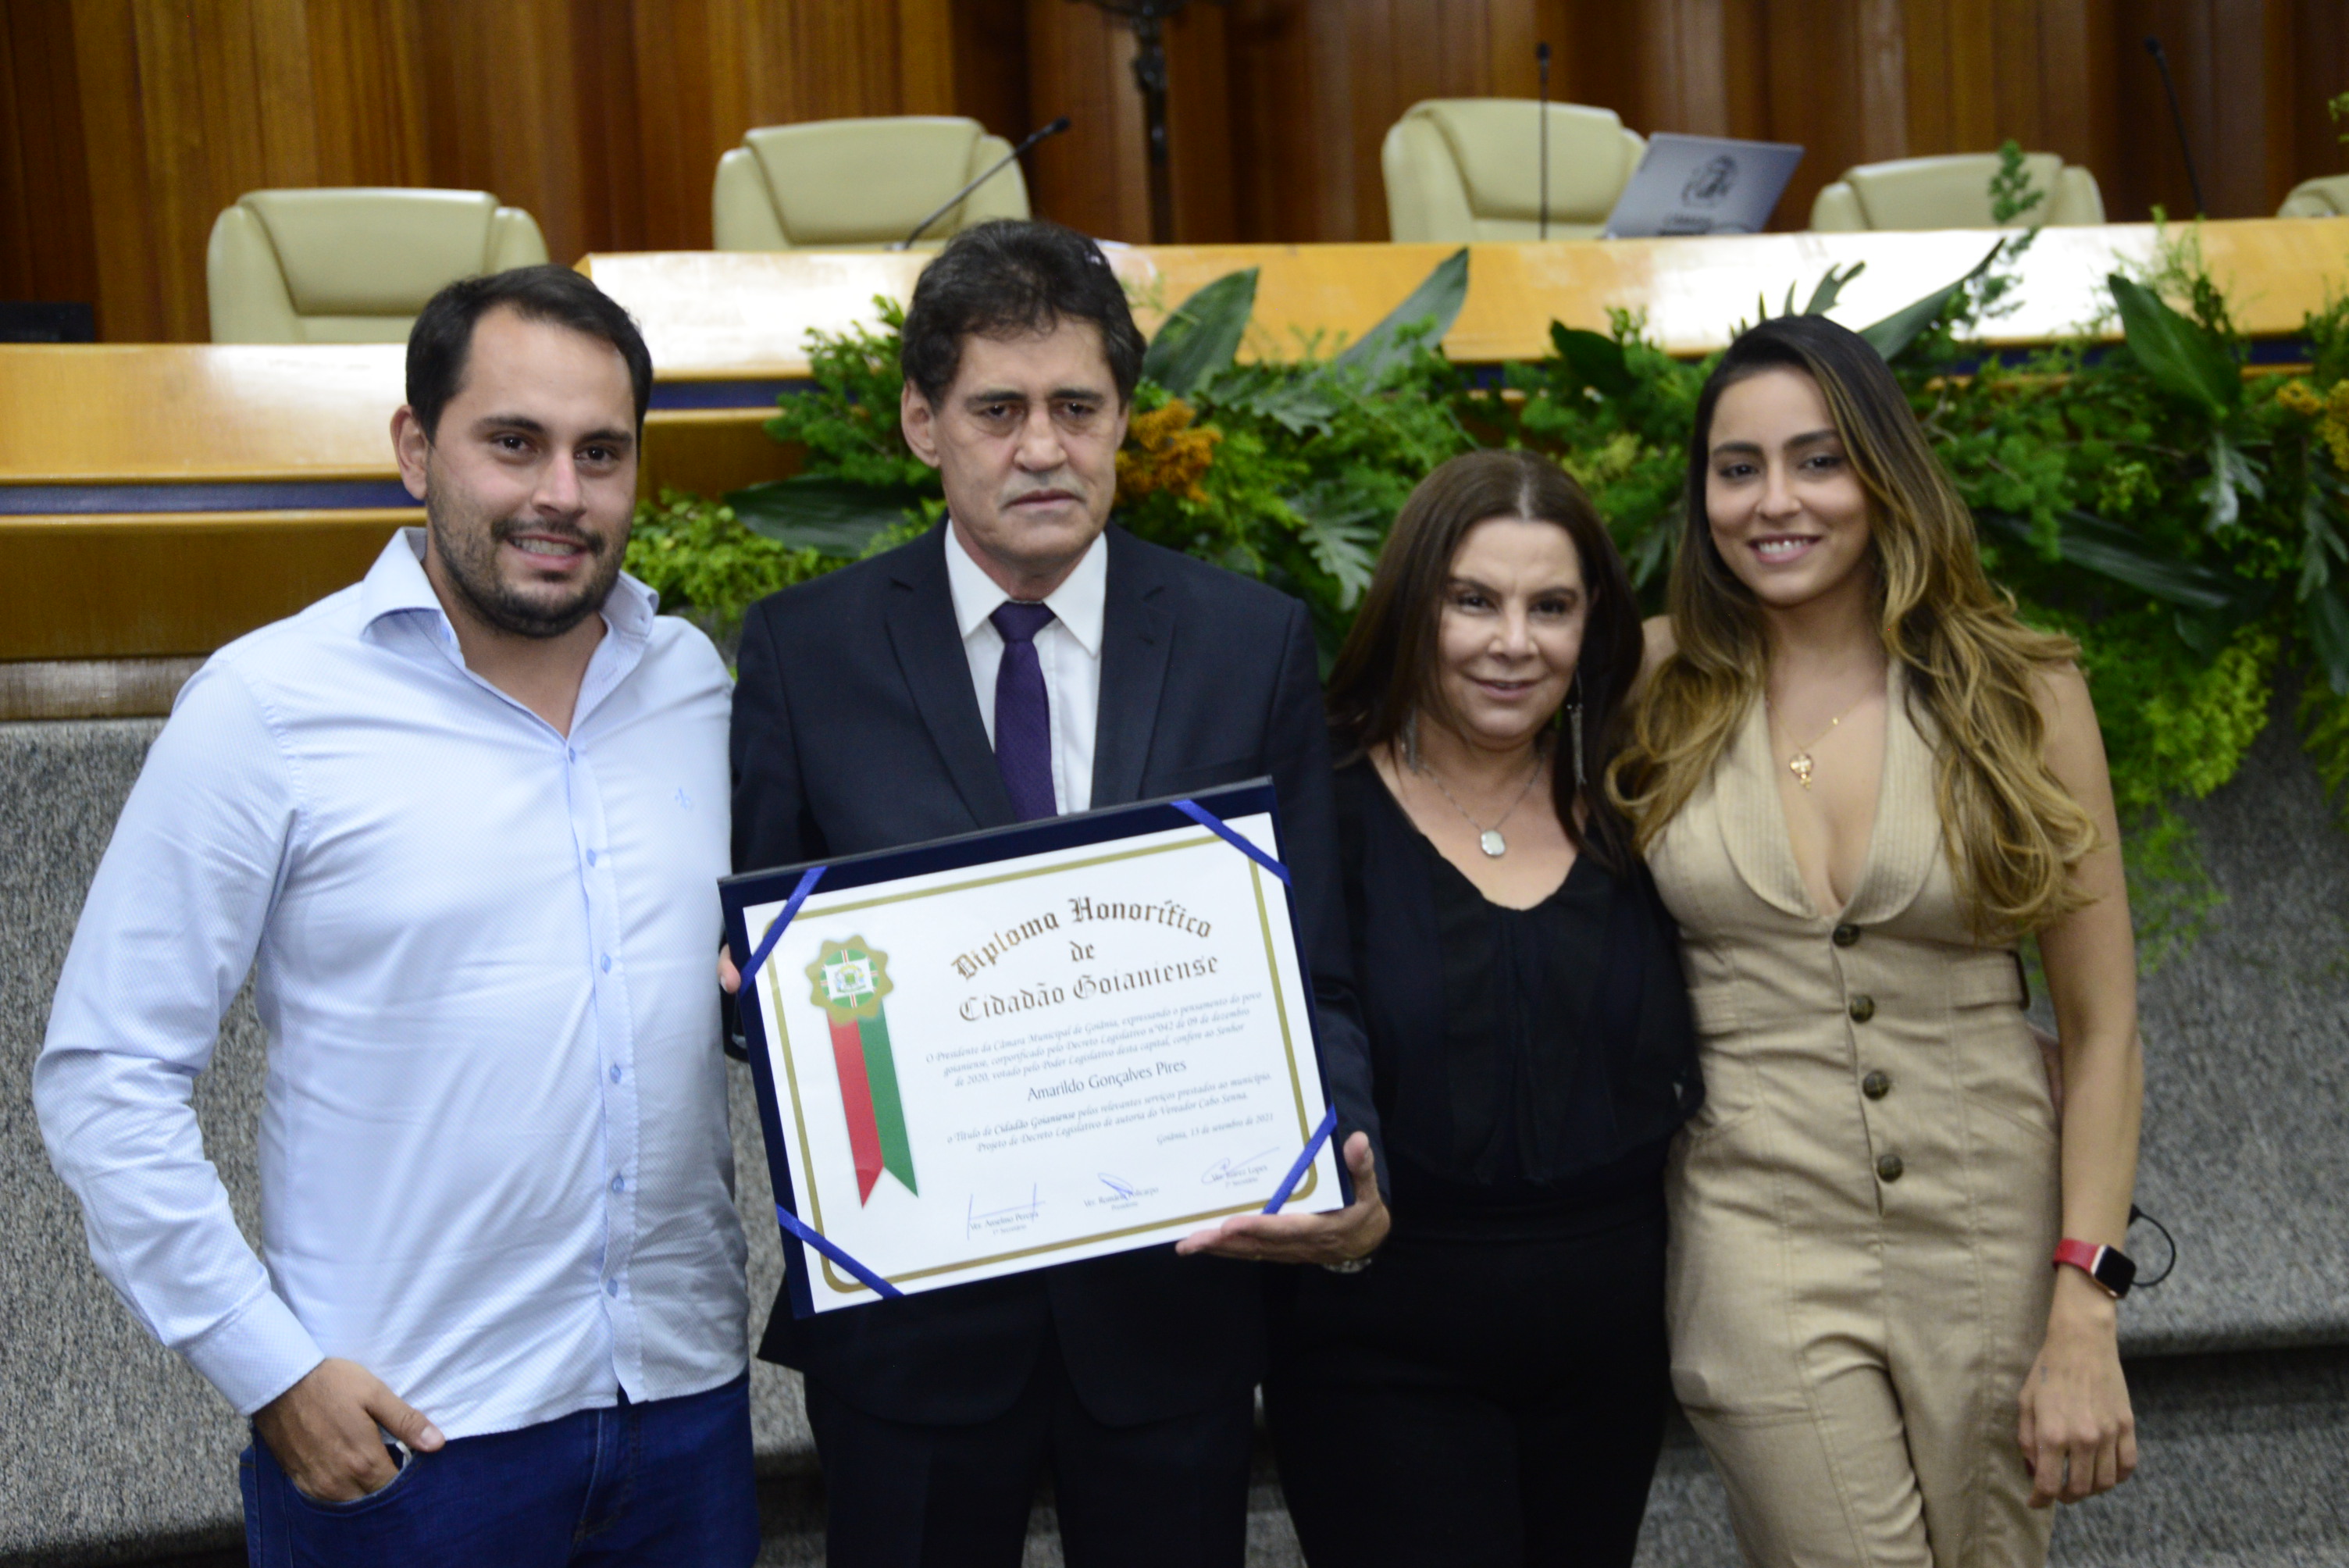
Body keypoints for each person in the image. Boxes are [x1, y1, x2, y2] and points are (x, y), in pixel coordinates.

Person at [34, 266, 758, 1566]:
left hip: (683, 1413)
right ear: (416, 450)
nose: (562, 493)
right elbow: (105, 1074)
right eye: (514, 443)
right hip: (409, 1448)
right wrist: (270, 1370)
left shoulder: (692, 684)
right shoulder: (268, 707)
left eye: (601, 453)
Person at [724, 217, 1388, 1568]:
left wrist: (1345, 1158)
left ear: (1123, 419)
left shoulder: (1246, 641)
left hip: (1173, 1316)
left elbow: (1310, 963)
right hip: (912, 1329)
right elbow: (762, 986)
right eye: (999, 410)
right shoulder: (806, 652)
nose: (1043, 447)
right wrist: (752, 997)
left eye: (1078, 408)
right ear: (923, 424)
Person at [1609, 314, 2143, 1566]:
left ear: (1885, 474)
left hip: (1994, 1232)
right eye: (1737, 468)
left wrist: (2085, 1305)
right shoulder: (1646, 683)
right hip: (1756, 1236)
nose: (1774, 501)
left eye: (1819, 461)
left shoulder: (2020, 690)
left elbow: (2104, 1024)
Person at [1261, 449, 1702, 1566]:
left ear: (1593, 624)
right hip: (1377, 1352)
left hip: (1612, 1356)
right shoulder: (1316, 807)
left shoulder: (1642, 799)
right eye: (1473, 601)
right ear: (1413, 607)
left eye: (1551, 607)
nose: (1514, 642)